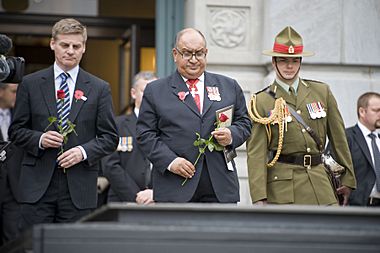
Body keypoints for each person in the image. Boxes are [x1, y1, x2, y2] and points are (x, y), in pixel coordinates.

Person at [8, 18, 118, 231]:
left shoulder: (99, 88)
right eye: (64, 45)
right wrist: (39, 139)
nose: (70, 51)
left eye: (76, 46)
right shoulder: (30, 84)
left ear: (84, 48)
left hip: (79, 188)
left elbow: (110, 138)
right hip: (36, 187)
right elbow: (16, 131)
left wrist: (82, 151)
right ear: (52, 44)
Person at [136, 28, 251, 203]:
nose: (194, 60)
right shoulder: (155, 90)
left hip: (220, 186)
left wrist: (231, 135)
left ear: (206, 53)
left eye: (199, 53)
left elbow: (244, 123)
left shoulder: (229, 86)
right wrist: (170, 161)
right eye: (187, 53)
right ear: (175, 54)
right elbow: (145, 134)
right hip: (174, 184)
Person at [246, 26, 356, 205]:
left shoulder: (321, 92)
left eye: (295, 60)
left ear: (300, 62)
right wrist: (259, 196)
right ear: (274, 62)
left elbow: (339, 139)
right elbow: (256, 153)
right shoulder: (262, 100)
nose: (289, 66)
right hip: (282, 190)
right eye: (283, 60)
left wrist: (348, 178)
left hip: (321, 186)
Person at [103, 71, 157, 204]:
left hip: (157, 201)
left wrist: (156, 193)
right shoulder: (116, 125)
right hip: (122, 201)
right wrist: (137, 196)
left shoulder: (168, 126)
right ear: (133, 93)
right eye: (145, 91)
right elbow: (110, 165)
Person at [330, 92, 380, 206]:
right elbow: (330, 165)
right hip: (357, 206)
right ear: (362, 111)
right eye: (376, 110)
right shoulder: (345, 137)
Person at [0, 82, 22, 245]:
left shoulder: (21, 115)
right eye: (13, 91)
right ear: (1, 92)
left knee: (13, 239)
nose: (17, 95)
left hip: (14, 188)